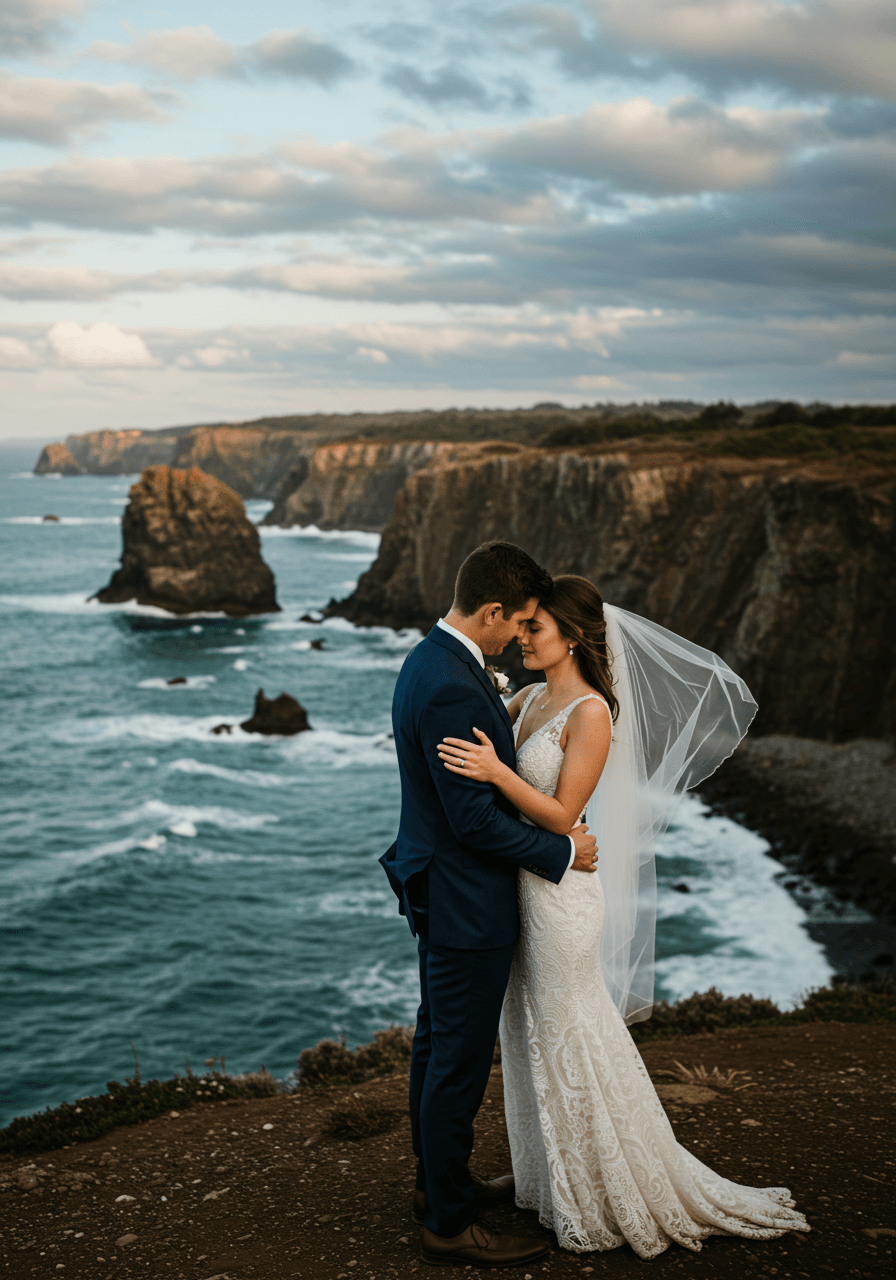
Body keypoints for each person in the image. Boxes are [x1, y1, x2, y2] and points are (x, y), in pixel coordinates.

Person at [437, 574, 811, 1259]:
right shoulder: (526, 698)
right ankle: (550, 1178)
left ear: (573, 637)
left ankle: (604, 1185)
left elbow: (559, 813)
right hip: (523, 887)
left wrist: (496, 773)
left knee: (569, 1033)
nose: (522, 637)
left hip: (560, 899)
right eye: (520, 627)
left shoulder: (592, 712)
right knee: (529, 1034)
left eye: (535, 629)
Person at [381, 543, 599, 1269]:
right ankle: (449, 1221)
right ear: (493, 612)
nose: (517, 638)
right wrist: (563, 854)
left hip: (440, 890)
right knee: (457, 1063)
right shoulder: (450, 683)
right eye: (517, 624)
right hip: (465, 902)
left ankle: (435, 1185)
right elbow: (473, 820)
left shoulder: (433, 661)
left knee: (434, 1044)